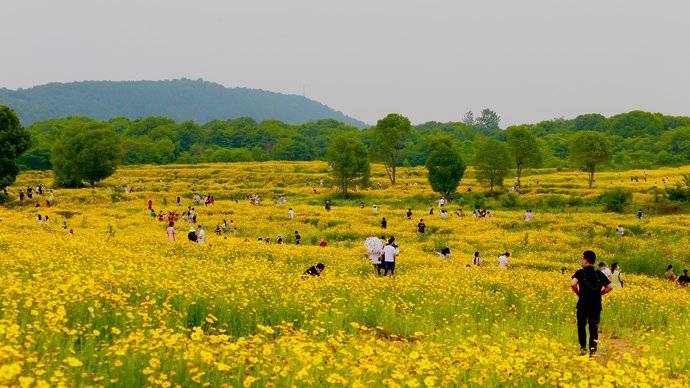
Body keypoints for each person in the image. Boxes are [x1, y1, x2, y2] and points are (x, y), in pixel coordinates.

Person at [571, 250, 613, 357]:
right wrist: (600, 293)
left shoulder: (580, 272)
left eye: (582, 258)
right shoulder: (599, 273)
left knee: (581, 326)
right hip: (595, 305)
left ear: (586, 260)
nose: (581, 260)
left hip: (582, 304)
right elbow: (610, 287)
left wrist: (579, 293)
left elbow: (573, 284)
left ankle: (583, 348)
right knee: (593, 328)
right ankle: (593, 351)